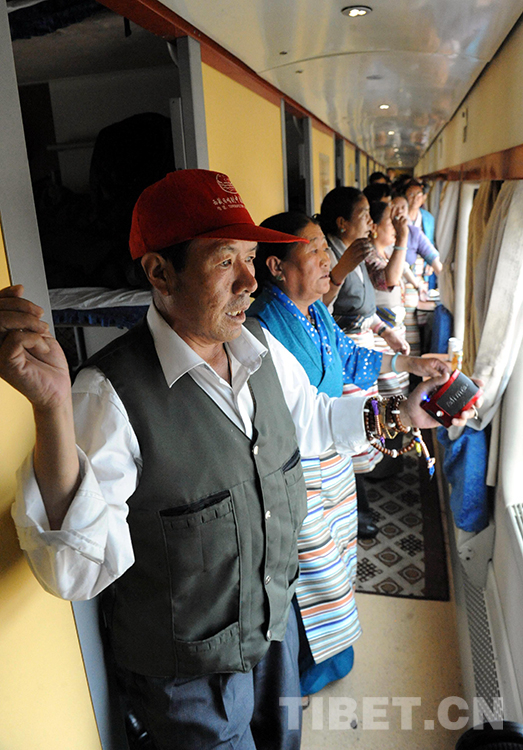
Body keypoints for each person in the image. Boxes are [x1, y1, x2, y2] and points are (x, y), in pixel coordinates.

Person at [0, 170, 468, 750]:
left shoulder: (259, 350)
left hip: (272, 636)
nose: (250, 280)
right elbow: (75, 572)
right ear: (160, 272)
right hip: (188, 679)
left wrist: (404, 412)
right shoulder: (108, 395)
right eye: (226, 261)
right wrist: (51, 410)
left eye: (250, 258)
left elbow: (317, 420)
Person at [320, 186, 409, 536]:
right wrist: (340, 270)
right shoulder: (332, 256)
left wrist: (385, 331)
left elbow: (367, 304)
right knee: (352, 428)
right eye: (364, 215)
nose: (370, 222)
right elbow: (321, 310)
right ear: (342, 223)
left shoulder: (359, 253)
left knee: (364, 424)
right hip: (344, 349)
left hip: (364, 342)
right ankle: (357, 508)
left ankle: (361, 500)